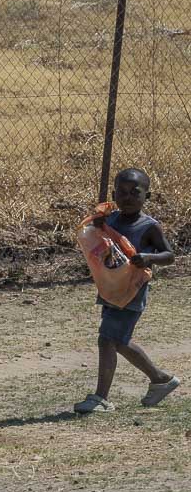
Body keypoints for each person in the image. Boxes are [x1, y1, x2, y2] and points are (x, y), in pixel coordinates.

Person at [76, 167, 180, 414]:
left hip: (132, 290)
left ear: (148, 196)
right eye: (122, 193)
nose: (128, 197)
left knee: (108, 339)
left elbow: (169, 256)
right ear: (113, 194)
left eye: (135, 192)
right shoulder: (109, 220)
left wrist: (148, 257)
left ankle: (101, 397)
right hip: (111, 287)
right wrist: (96, 225)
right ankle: (160, 379)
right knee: (117, 341)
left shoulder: (149, 226)